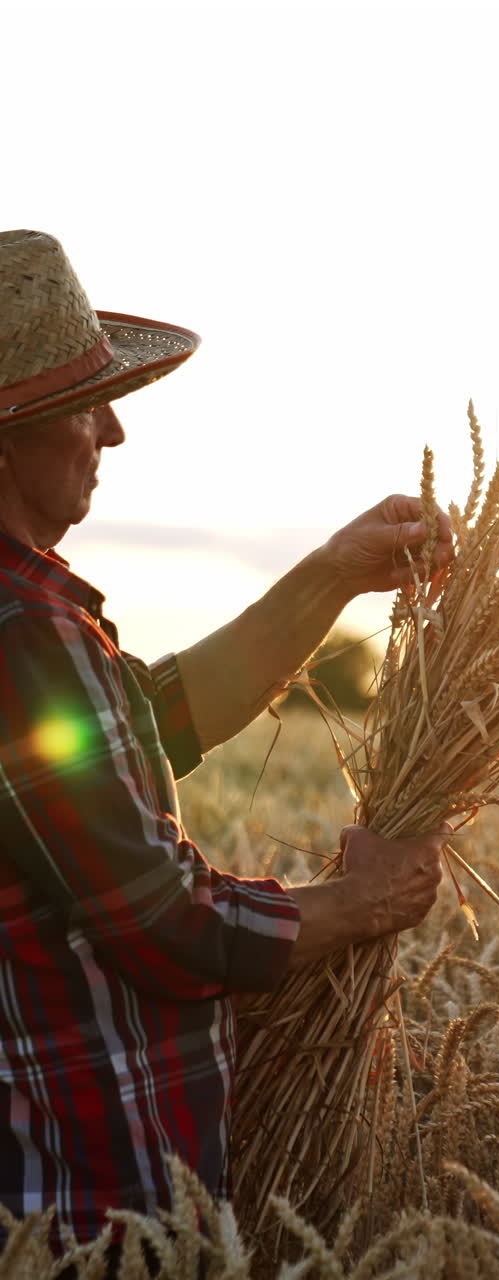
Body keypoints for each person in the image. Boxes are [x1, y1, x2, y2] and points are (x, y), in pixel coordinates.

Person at [0, 230, 452, 1251]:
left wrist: (334, 571)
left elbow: (154, 718)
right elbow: (164, 920)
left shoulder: (31, 622)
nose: (112, 430)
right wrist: (364, 900)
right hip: (81, 1209)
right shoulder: (21, 634)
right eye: (81, 405)